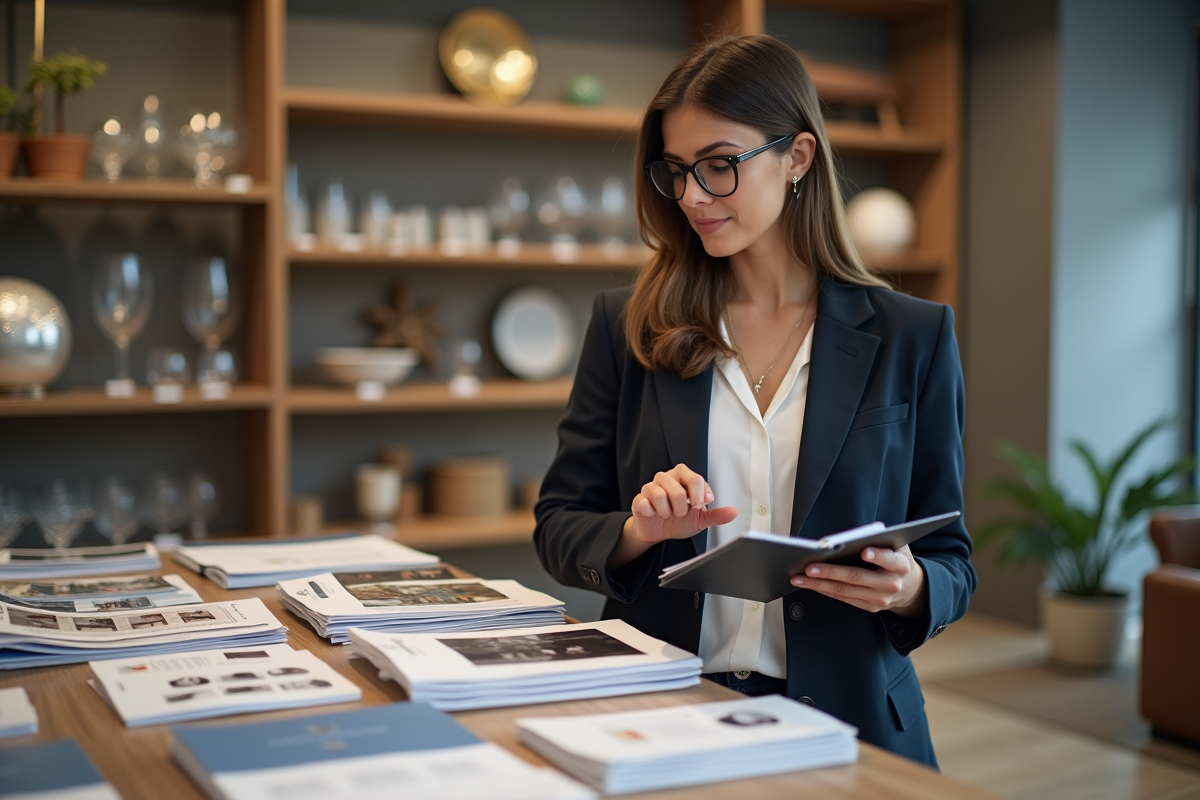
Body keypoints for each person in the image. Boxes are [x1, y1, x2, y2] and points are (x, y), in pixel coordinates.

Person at [533, 34, 976, 768]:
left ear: (797, 157)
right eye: (676, 171)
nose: (693, 197)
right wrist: (639, 531)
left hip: (854, 726)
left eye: (719, 166)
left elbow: (951, 560)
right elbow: (559, 526)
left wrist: (912, 586)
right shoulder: (627, 324)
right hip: (664, 713)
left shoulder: (913, 335)